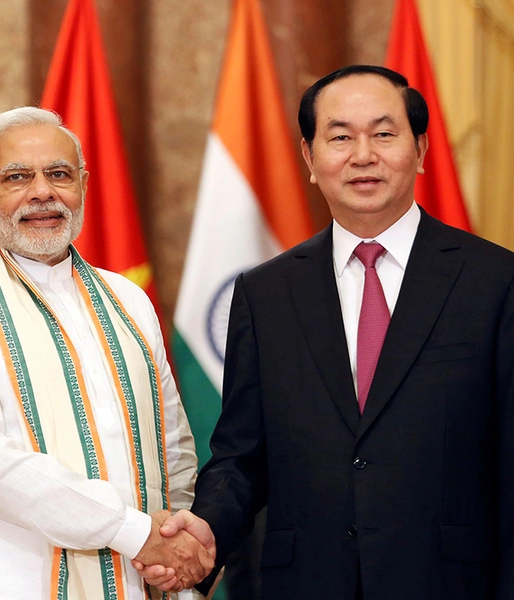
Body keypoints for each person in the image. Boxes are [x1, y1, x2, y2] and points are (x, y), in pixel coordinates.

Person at [138, 65, 514, 599]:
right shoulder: (265, 294)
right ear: (311, 160)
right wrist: (208, 529)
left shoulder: (494, 282)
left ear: (422, 149)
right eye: (340, 137)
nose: (363, 155)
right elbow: (243, 455)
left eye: (384, 134)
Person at [0, 106, 213, 599]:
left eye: (59, 174)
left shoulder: (127, 300)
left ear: (83, 185)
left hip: (142, 582)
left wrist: (176, 543)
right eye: (17, 177)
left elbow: (172, 444)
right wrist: (135, 534)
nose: (42, 192)